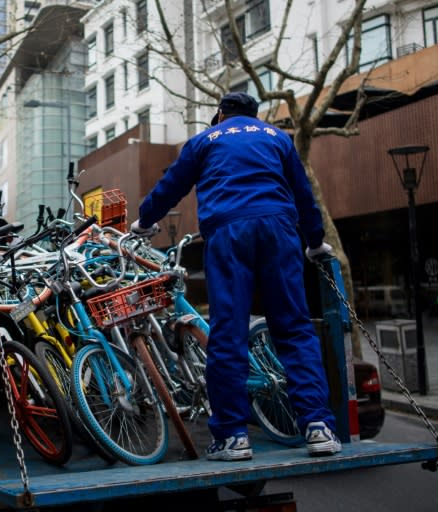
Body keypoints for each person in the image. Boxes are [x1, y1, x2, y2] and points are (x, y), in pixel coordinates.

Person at [131, 92, 340, 461]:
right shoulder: (278, 138)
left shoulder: (203, 141)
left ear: (220, 113)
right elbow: (304, 194)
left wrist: (144, 221)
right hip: (279, 228)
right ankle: (318, 427)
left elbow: (171, 188)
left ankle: (233, 437)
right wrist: (315, 242)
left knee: (229, 333)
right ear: (254, 115)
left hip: (229, 234)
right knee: (293, 328)